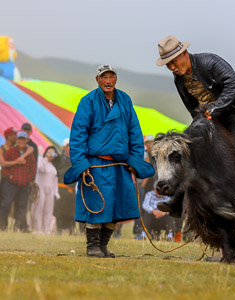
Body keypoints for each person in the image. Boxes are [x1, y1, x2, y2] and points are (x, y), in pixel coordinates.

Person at [155, 35, 235, 214]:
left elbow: (234, 81)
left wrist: (216, 107)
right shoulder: (179, 80)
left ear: (184, 53)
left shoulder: (209, 61)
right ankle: (177, 201)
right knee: (183, 148)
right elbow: (192, 106)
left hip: (234, 114)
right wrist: (200, 124)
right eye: (168, 64)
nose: (172, 68)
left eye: (174, 62)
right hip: (207, 119)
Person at [64, 65, 154, 257]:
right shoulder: (88, 102)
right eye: (103, 77)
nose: (107, 81)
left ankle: (103, 246)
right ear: (97, 80)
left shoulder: (125, 100)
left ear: (115, 79)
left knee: (116, 208)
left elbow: (135, 133)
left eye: (111, 77)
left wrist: (135, 160)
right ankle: (92, 247)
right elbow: (78, 134)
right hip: (95, 165)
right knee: (98, 206)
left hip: (120, 165)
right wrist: (81, 164)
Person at [0, 131, 36, 231]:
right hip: (10, 183)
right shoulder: (11, 151)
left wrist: (28, 180)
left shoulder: (30, 154)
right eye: (20, 138)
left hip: (24, 184)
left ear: (27, 140)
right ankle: (2, 226)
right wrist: (9, 177)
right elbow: (4, 167)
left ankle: (18, 227)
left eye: (23, 139)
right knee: (6, 204)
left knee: (21, 206)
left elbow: (33, 169)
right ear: (17, 140)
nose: (21, 141)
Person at [30, 146, 60, 234]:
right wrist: (46, 158)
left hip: (50, 190)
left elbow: (55, 181)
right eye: (50, 152)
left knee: (48, 210)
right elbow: (41, 169)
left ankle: (46, 229)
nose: (51, 155)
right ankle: (37, 228)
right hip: (41, 188)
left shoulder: (53, 167)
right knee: (39, 207)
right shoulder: (41, 161)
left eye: (54, 153)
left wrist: (56, 192)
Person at [53, 138, 77, 234]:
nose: (69, 148)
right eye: (67, 146)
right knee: (60, 211)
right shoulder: (58, 159)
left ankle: (72, 230)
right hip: (61, 188)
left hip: (72, 190)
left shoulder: (76, 159)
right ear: (63, 148)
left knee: (71, 212)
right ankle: (59, 230)